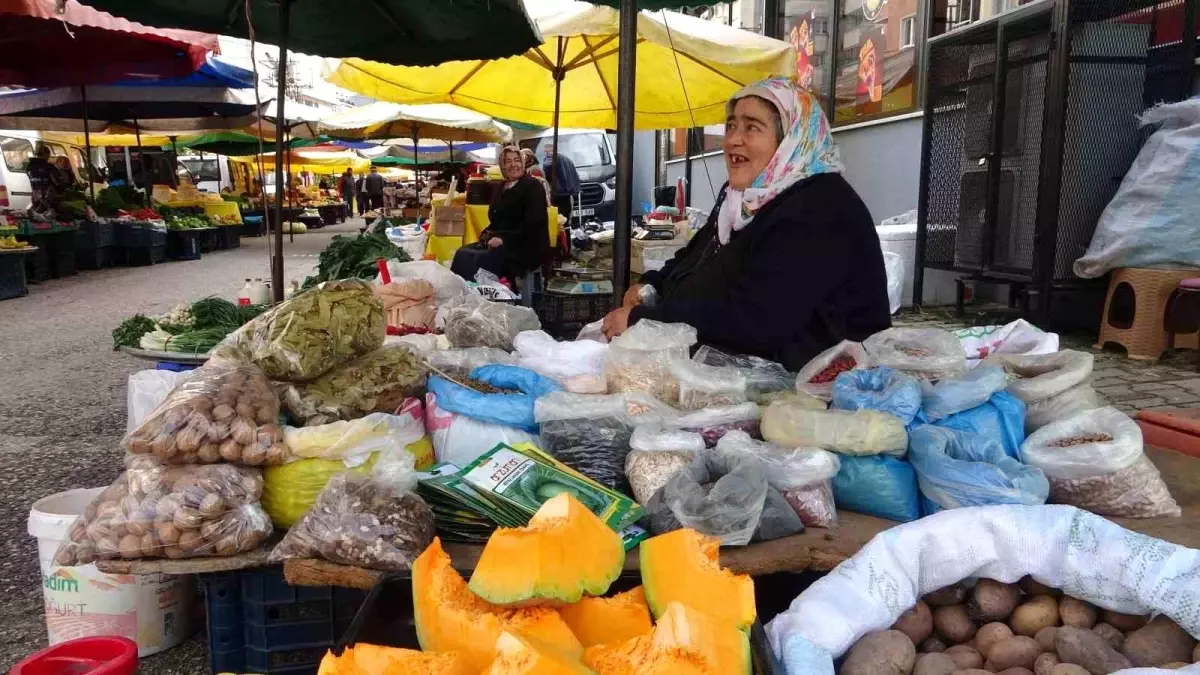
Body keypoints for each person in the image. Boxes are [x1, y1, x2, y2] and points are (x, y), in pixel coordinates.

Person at [600, 77, 891, 370]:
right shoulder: (743, 201)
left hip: (820, 395)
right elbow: (694, 256)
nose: (732, 140)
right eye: (730, 126)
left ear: (792, 139)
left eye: (752, 126)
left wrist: (643, 321)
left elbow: (756, 320)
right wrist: (651, 284)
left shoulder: (819, 206)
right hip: (744, 376)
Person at [450, 145, 549, 282]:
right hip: (503, 241)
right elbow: (497, 220)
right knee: (463, 253)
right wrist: (487, 233)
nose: (513, 165)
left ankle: (487, 295)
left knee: (479, 259)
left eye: (517, 160)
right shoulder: (500, 187)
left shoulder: (532, 186)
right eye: (508, 161)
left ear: (523, 162)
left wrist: (504, 240)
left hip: (525, 245)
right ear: (502, 165)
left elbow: (534, 222)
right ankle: (466, 294)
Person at [542, 141, 580, 221]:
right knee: (565, 219)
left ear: (549, 149)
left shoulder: (551, 156)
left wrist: (544, 177)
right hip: (567, 193)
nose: (544, 152)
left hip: (557, 193)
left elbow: (547, 167)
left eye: (545, 150)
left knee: (558, 221)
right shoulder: (567, 159)